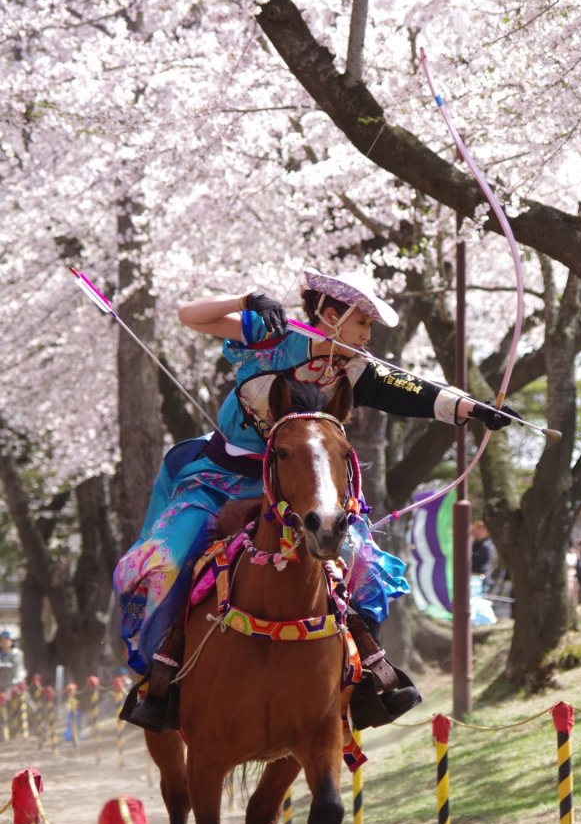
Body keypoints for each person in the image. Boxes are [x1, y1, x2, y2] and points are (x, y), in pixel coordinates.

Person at [115, 266, 518, 730]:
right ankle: (163, 674)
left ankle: (369, 669)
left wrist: (475, 408)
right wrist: (245, 298)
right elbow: (191, 315)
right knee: (168, 559)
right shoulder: (270, 334)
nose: (368, 335)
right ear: (330, 314)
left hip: (300, 488)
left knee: (363, 561)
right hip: (220, 479)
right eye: (362, 323)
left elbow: (415, 392)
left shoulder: (354, 367)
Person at [470, 521, 496, 592]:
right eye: (477, 529)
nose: (479, 532)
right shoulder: (473, 543)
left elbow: (479, 563)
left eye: (482, 530)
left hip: (480, 580)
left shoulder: (487, 546)